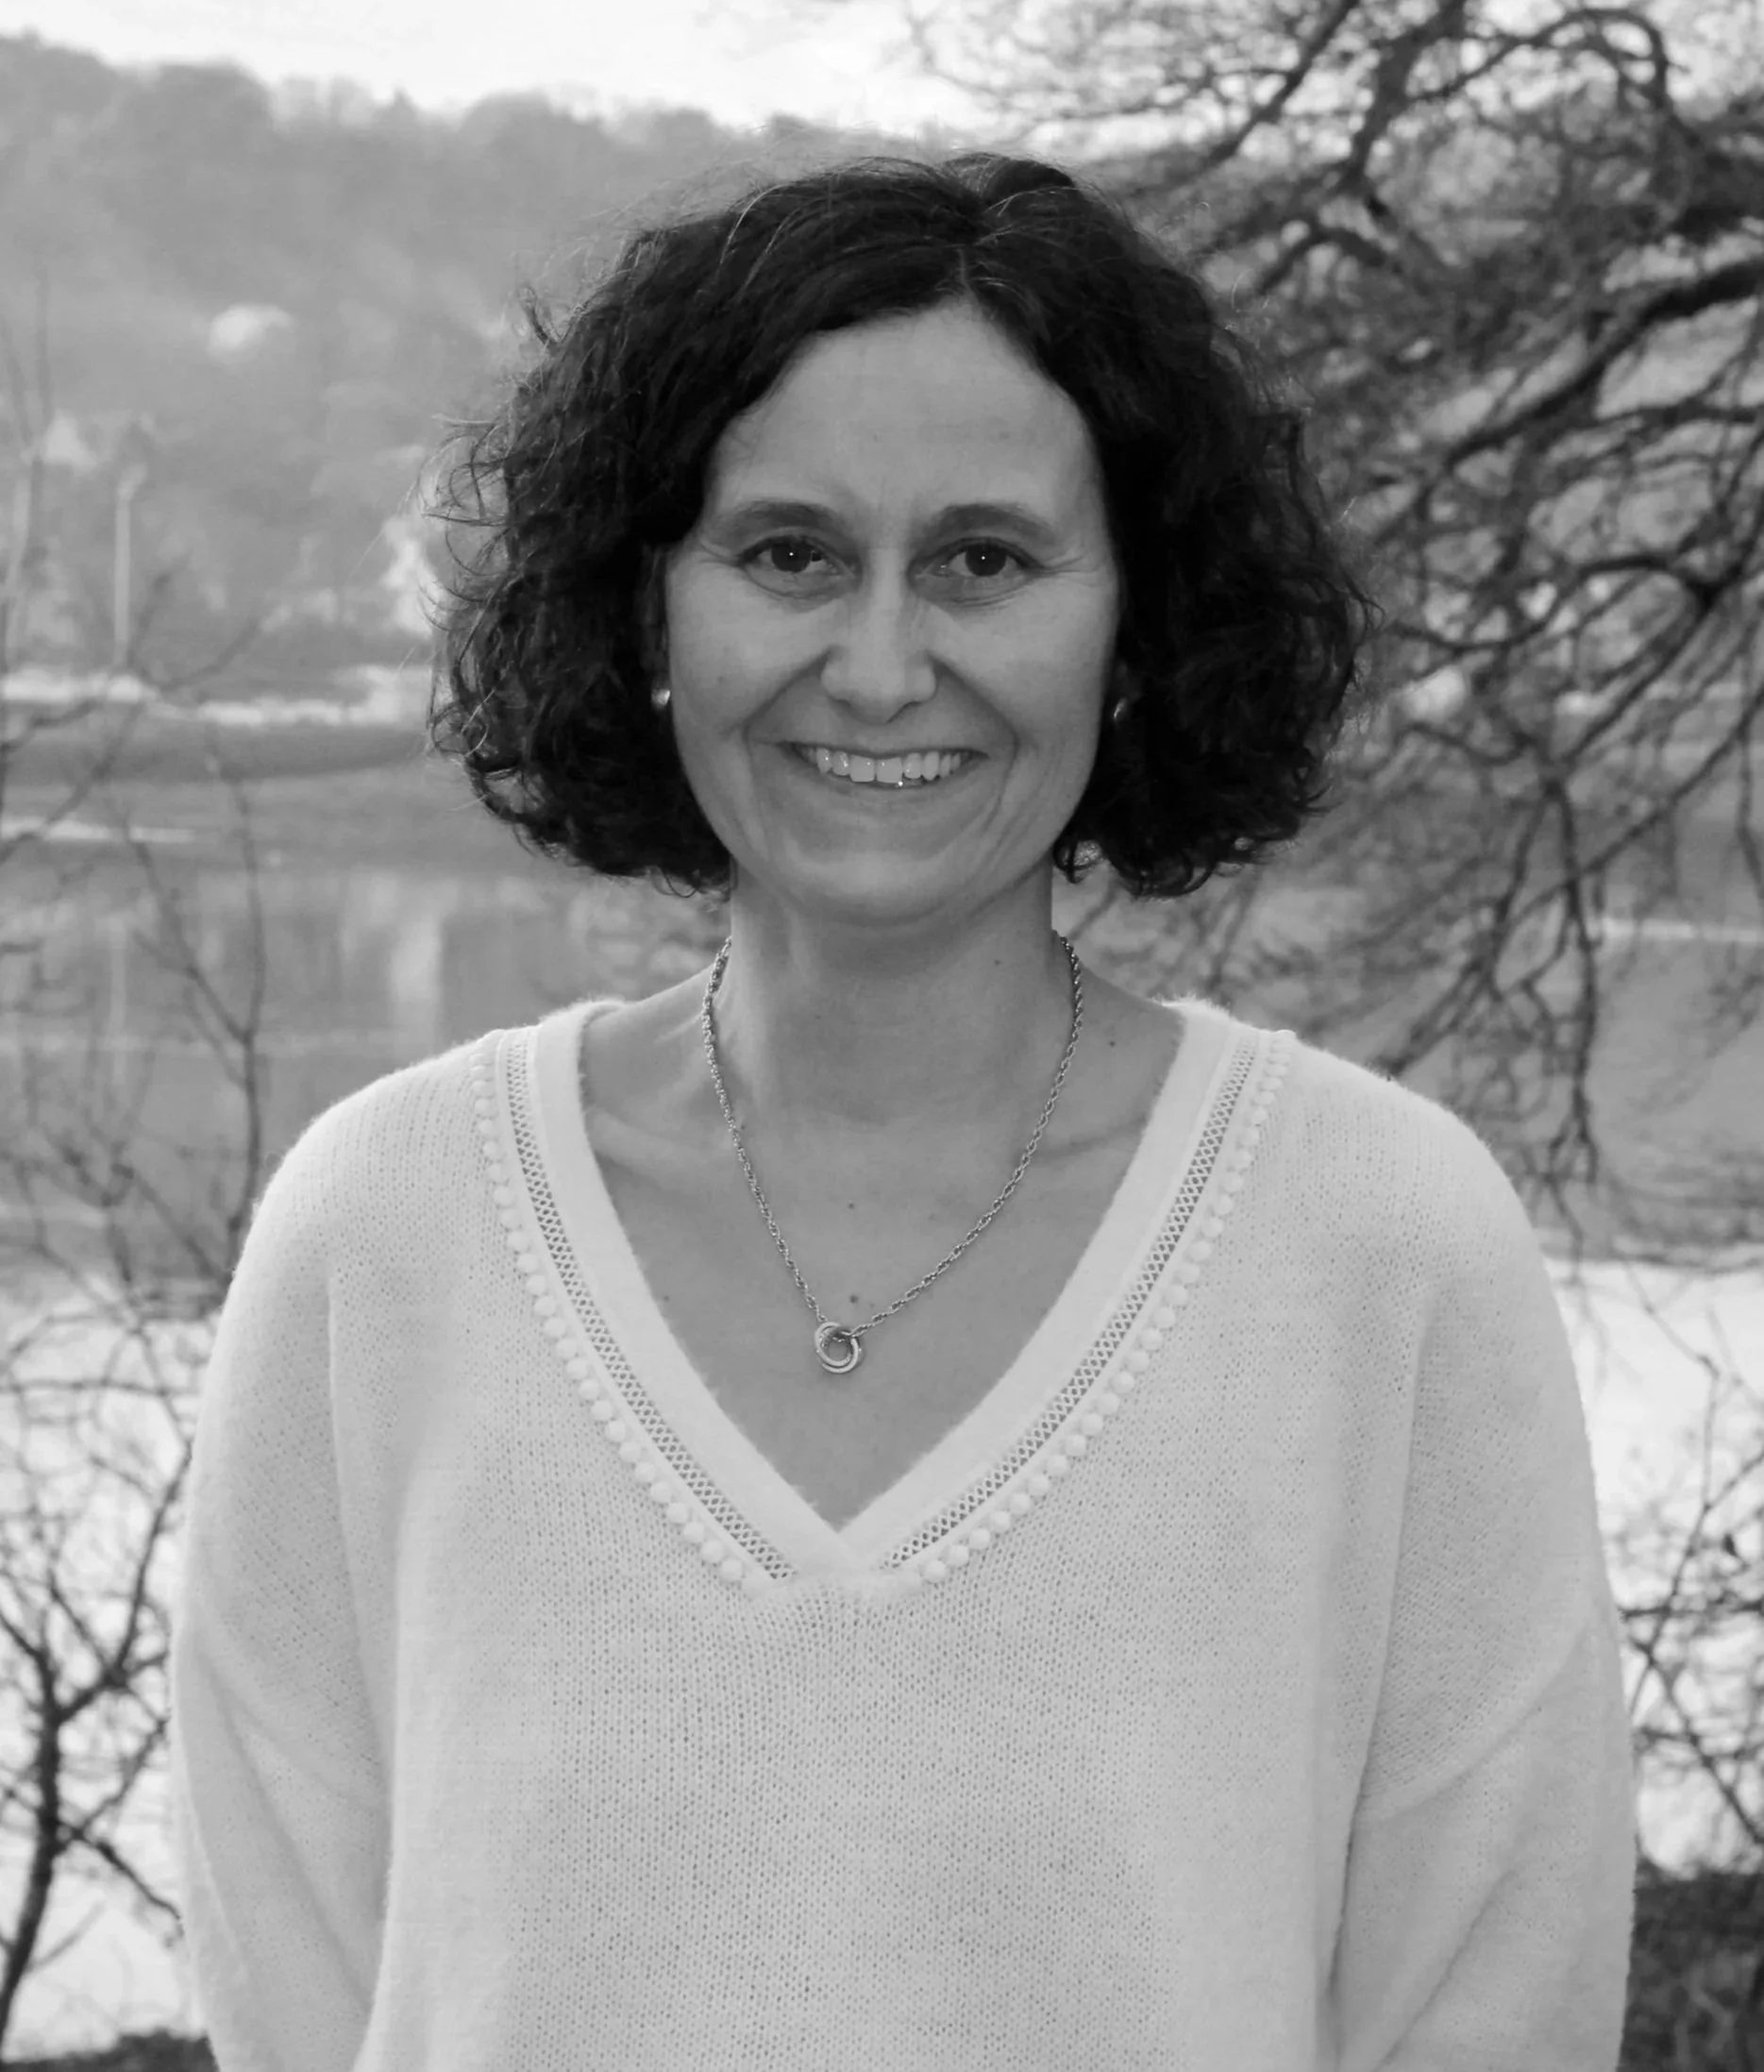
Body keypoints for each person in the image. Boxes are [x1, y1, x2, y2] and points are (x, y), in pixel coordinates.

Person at [168, 151, 1637, 2070]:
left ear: (1136, 625)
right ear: (650, 617)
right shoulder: (384, 1232)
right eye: (787, 553)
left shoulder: (1383, 1243)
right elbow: (287, 2000)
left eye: (983, 560)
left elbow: (1493, 2016)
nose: (878, 662)